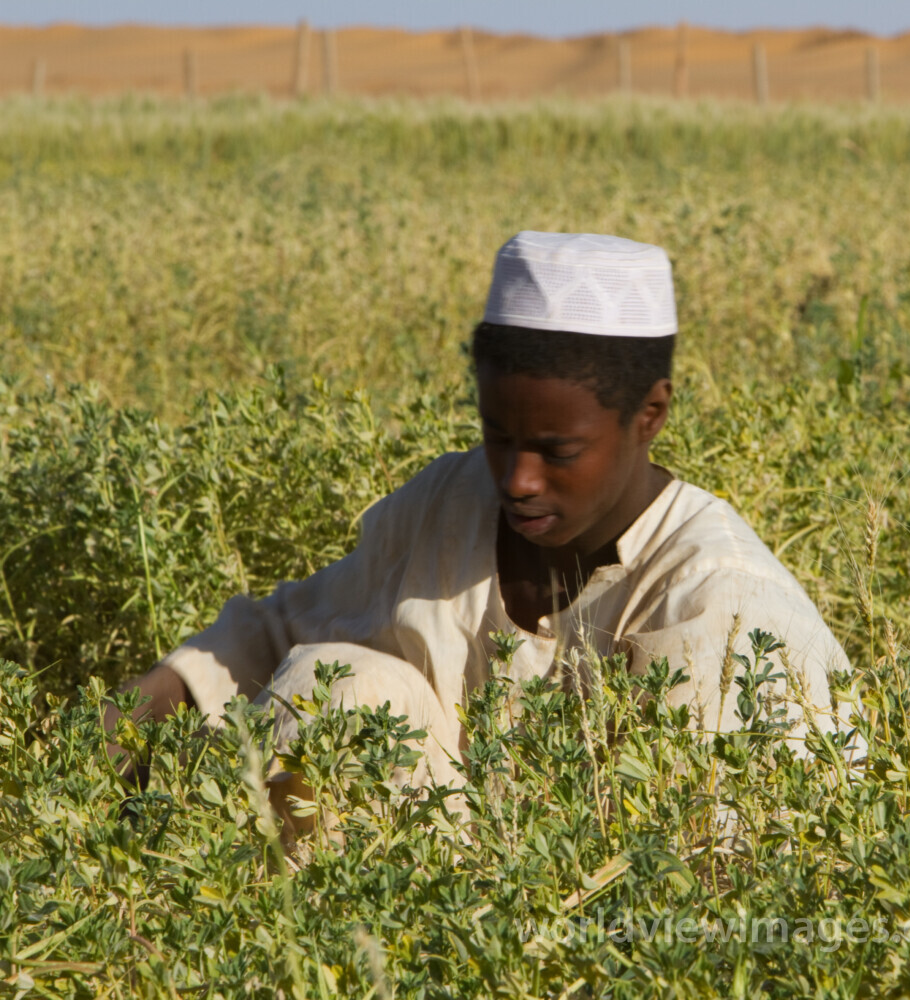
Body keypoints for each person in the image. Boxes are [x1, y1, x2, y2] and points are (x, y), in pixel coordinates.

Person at [105, 231, 853, 821]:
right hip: (370, 928)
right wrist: (94, 749)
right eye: (500, 437)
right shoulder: (450, 503)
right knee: (344, 691)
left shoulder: (723, 607)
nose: (517, 480)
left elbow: (710, 874)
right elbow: (271, 638)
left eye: (558, 451)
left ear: (649, 415)